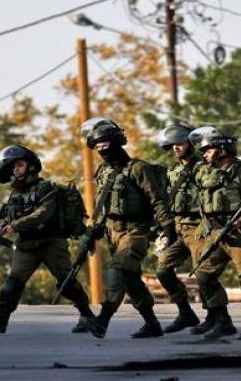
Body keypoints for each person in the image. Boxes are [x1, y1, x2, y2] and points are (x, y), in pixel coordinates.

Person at [0, 145, 103, 336]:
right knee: (12, 283)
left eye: (19, 164)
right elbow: (10, 216)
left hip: (51, 242)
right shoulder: (15, 194)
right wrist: (3, 223)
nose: (16, 169)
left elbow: (44, 213)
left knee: (66, 282)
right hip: (26, 245)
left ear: (31, 165)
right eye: (12, 167)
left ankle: (87, 316)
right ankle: (2, 319)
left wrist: (16, 225)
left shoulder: (45, 188)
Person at [79, 118, 176, 339]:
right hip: (113, 232)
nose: (102, 149)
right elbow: (102, 203)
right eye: (97, 145)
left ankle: (102, 320)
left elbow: (158, 200)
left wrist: (168, 227)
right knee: (131, 280)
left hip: (136, 231)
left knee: (118, 269)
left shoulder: (139, 169)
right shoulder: (103, 171)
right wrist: (93, 229)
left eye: (105, 143)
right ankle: (152, 324)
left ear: (117, 142)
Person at [190, 126, 241, 339]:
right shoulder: (207, 174)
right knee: (204, 274)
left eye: (208, 150)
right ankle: (222, 320)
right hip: (216, 232)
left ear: (221, 149)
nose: (204, 154)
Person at [153, 124, 203, 334]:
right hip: (179, 228)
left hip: (200, 228)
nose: (175, 148)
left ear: (190, 143)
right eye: (172, 145)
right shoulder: (173, 171)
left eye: (180, 143)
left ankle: (220, 318)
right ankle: (185, 313)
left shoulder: (203, 168)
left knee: (204, 274)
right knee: (163, 269)